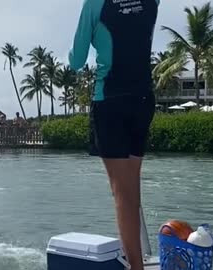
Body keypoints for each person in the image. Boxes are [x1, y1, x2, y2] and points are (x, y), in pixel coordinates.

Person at [69, 1, 160, 270]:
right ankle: (137, 261)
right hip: (143, 100)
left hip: (110, 101)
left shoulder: (94, 4)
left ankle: (136, 267)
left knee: (123, 193)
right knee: (132, 188)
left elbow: (76, 61)